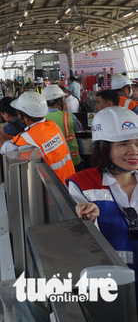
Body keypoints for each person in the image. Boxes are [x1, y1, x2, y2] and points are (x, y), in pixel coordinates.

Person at [67, 107, 138, 300]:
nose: (134, 151)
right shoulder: (81, 185)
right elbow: (77, 243)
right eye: (123, 144)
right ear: (103, 148)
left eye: (137, 143)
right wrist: (87, 220)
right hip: (111, 287)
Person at [0, 91, 75, 184]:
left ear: (25, 118)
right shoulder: (52, 125)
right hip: (70, 181)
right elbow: (20, 141)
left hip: (56, 187)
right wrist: (1, 134)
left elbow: (2, 148)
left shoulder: (28, 136)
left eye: (19, 114)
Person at [42, 85, 85, 170]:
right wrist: (66, 110)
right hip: (72, 162)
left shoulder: (41, 117)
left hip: (51, 164)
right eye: (63, 99)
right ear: (58, 102)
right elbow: (79, 128)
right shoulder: (67, 116)